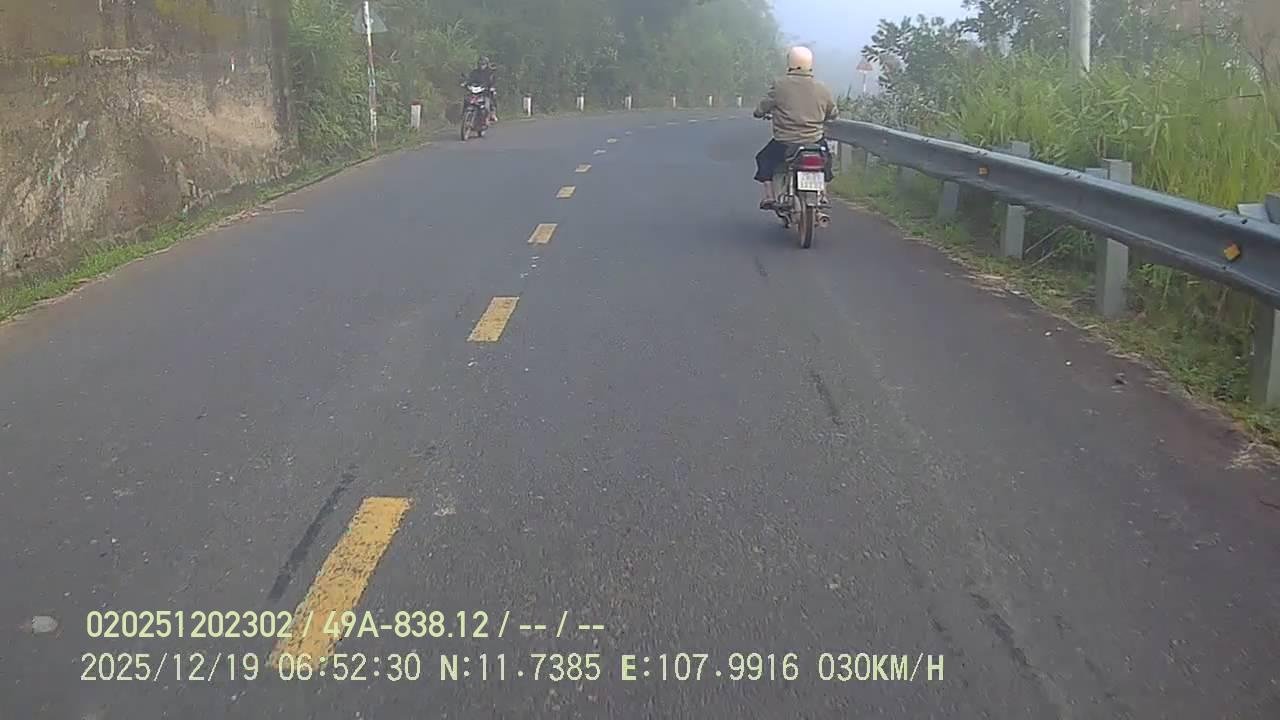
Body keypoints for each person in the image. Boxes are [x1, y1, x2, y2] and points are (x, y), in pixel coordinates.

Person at [752, 46, 839, 210]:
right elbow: (833, 113)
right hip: (814, 141)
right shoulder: (822, 88)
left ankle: (769, 196)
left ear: (790, 62)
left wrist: (759, 113)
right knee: (825, 161)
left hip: (785, 142)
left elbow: (763, 107)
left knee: (764, 158)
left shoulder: (780, 85)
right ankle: (823, 194)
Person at [467, 57, 498, 124]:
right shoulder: (474, 72)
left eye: (483, 64)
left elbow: (493, 81)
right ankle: (464, 115)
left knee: (491, 99)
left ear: (486, 64)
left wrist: (492, 87)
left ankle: (492, 114)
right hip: (475, 91)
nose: (482, 66)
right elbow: (469, 79)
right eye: (480, 64)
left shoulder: (490, 73)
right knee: (466, 99)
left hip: (486, 92)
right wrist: (465, 83)